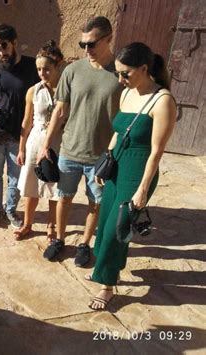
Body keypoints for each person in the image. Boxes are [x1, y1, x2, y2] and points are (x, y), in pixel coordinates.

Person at [87, 42, 176, 310]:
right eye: (117, 73)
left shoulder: (163, 101)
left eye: (125, 73)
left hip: (138, 170)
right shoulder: (127, 94)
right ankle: (111, 267)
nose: (120, 79)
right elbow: (118, 132)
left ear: (144, 68)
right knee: (107, 222)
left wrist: (142, 189)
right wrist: (107, 161)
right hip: (118, 164)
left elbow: (156, 153)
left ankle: (106, 285)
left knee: (117, 227)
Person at [37, 16, 123, 266]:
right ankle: (59, 240)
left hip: (101, 155)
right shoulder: (73, 71)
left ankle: (85, 244)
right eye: (82, 44)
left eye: (92, 44)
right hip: (70, 151)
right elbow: (59, 111)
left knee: (95, 202)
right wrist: (46, 144)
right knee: (64, 197)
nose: (87, 50)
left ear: (109, 38)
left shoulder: (120, 73)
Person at [0, 23, 39, 228]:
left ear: (14, 42)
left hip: (19, 134)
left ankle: (11, 210)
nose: (1, 51)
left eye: (4, 45)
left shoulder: (30, 67)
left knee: (15, 176)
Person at [14, 41, 66, 240]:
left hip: (59, 142)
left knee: (54, 185)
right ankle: (28, 224)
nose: (42, 73)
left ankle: (51, 226)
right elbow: (26, 122)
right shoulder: (33, 91)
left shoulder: (66, 91)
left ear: (57, 67)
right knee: (31, 185)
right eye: (38, 69)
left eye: (46, 69)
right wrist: (21, 149)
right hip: (36, 140)